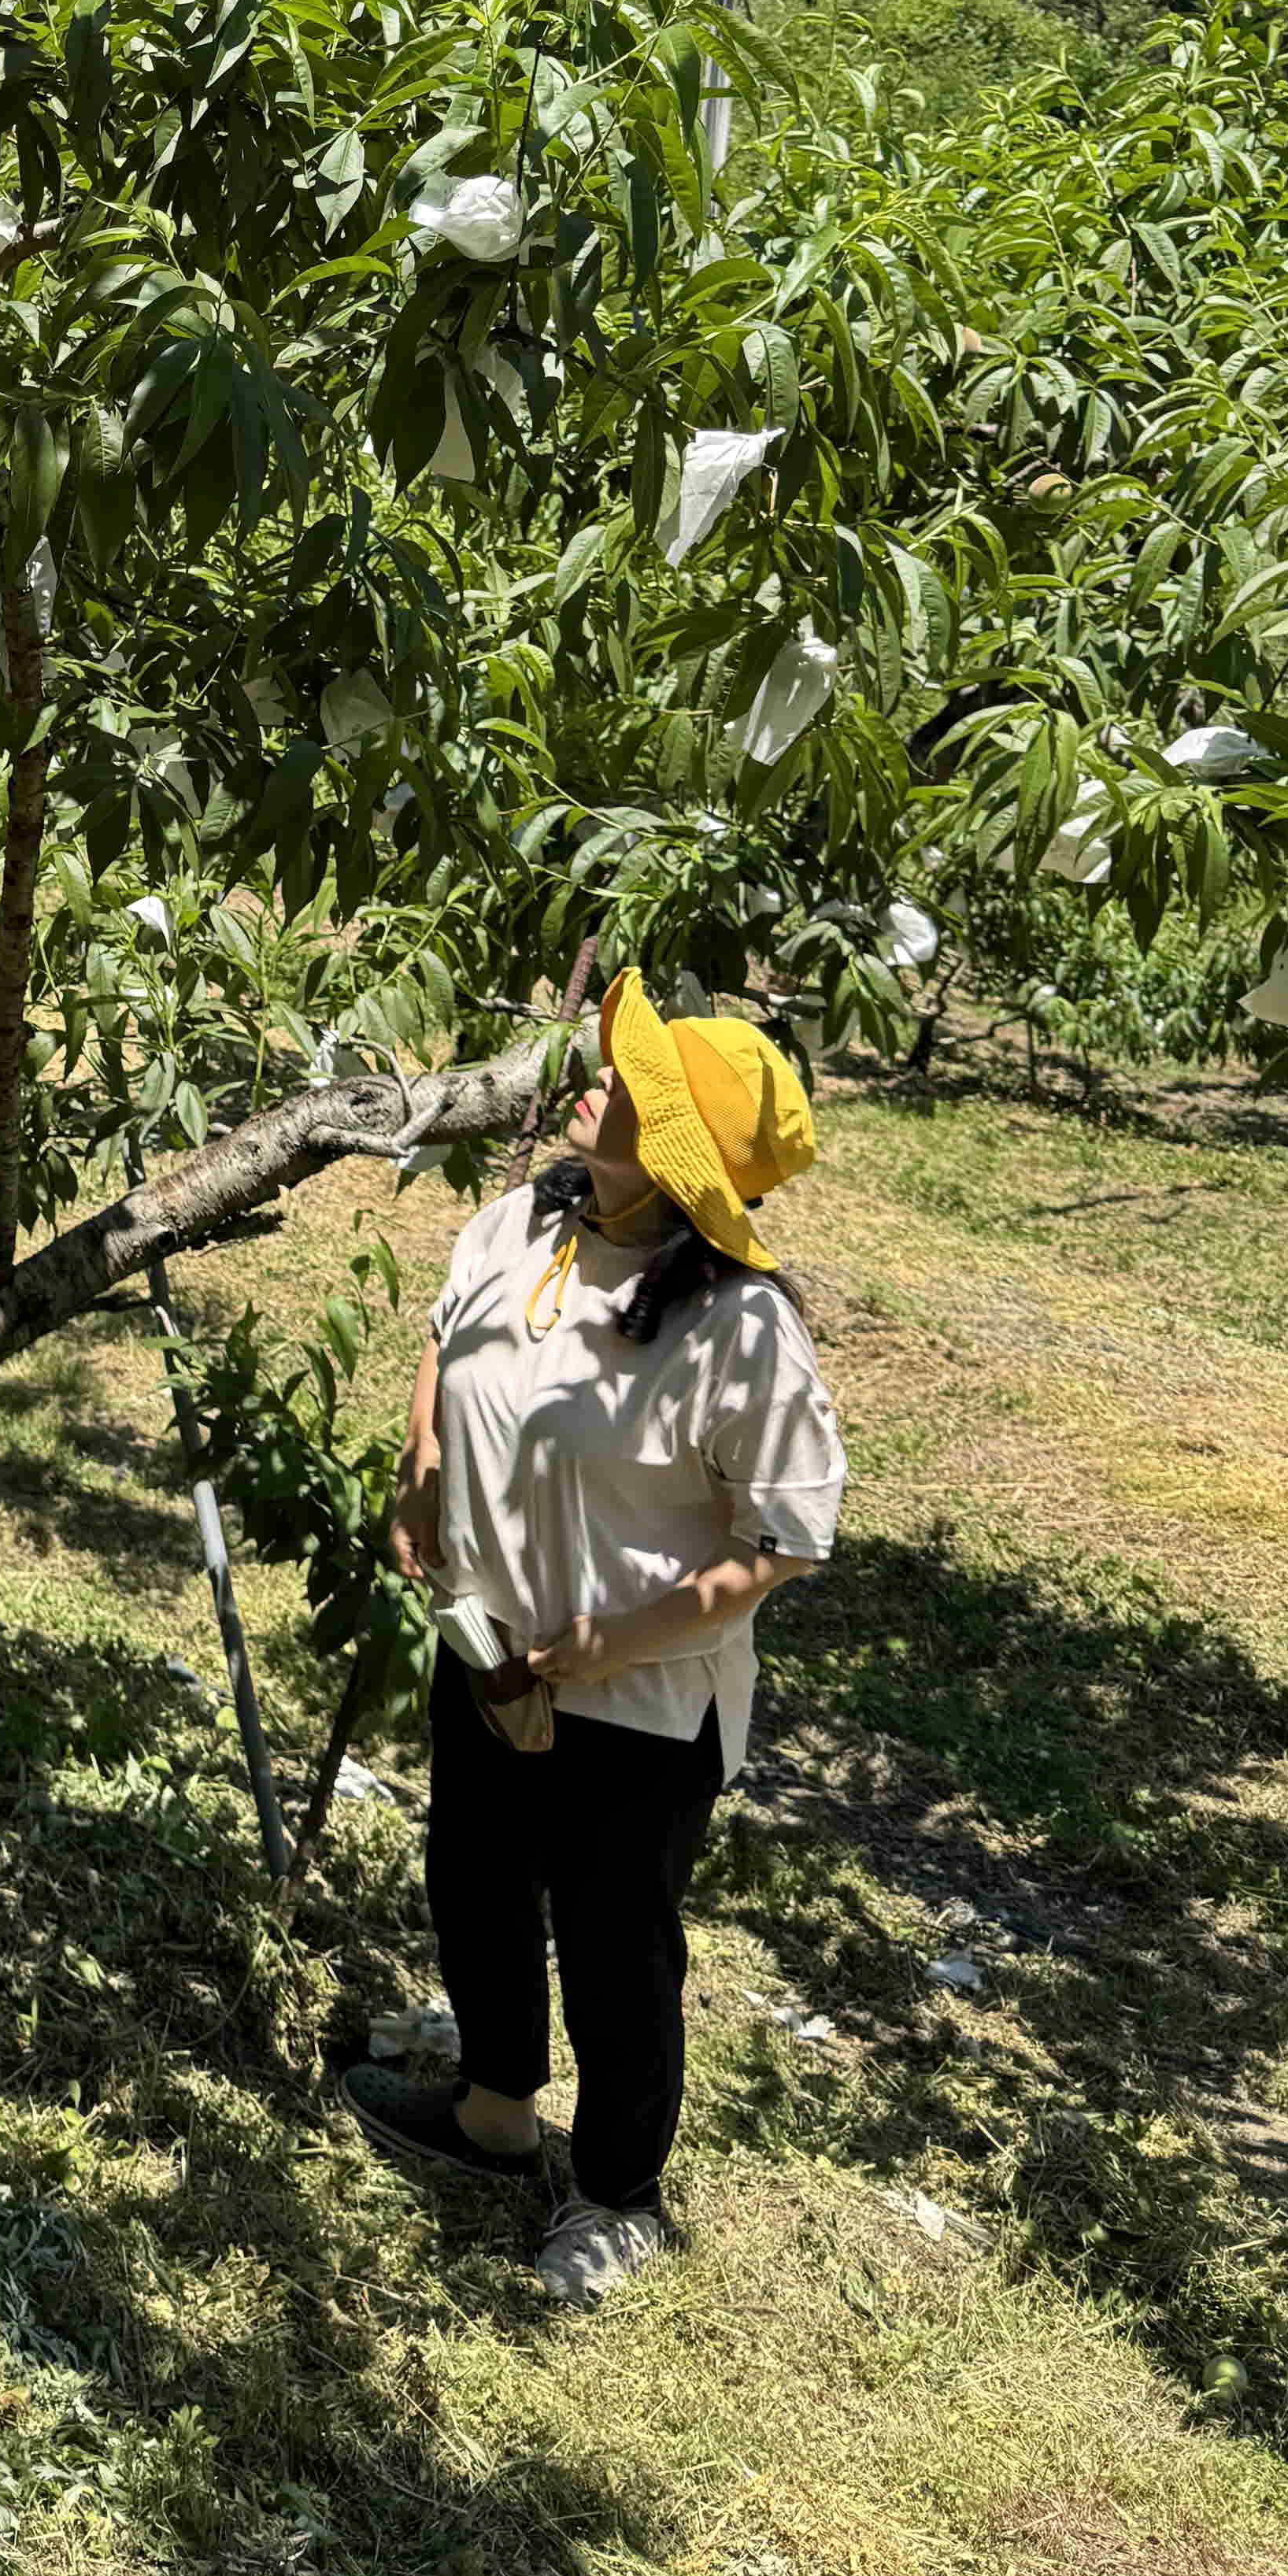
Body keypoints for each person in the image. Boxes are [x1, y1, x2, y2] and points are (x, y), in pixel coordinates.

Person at [337, 972, 846, 2307]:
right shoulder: (525, 1218)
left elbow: (781, 1537)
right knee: (472, 1875)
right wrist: (419, 1464)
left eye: (629, 1087)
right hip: (490, 1644)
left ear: (676, 1155)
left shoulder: (738, 1325)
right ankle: (494, 2107)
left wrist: (616, 1633)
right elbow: (447, 1341)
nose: (593, 1080)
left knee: (615, 1941)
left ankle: (619, 2193)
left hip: (638, 1705)